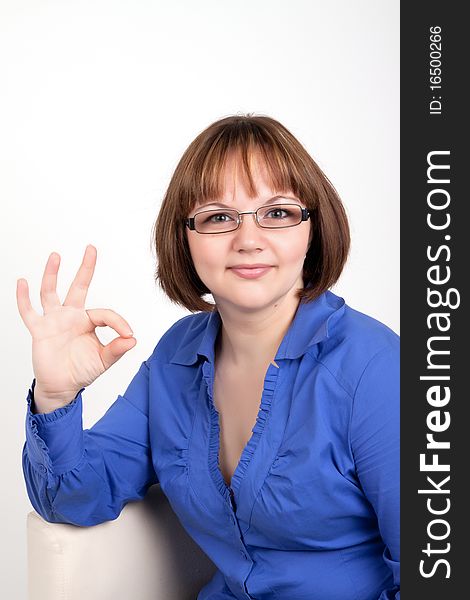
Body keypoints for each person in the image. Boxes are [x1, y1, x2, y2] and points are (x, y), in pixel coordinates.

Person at [18, 114, 399, 600]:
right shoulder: (176, 358)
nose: (248, 240)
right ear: (185, 238)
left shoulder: (374, 369)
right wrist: (55, 395)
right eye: (219, 217)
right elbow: (75, 499)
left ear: (312, 228)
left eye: (277, 212)